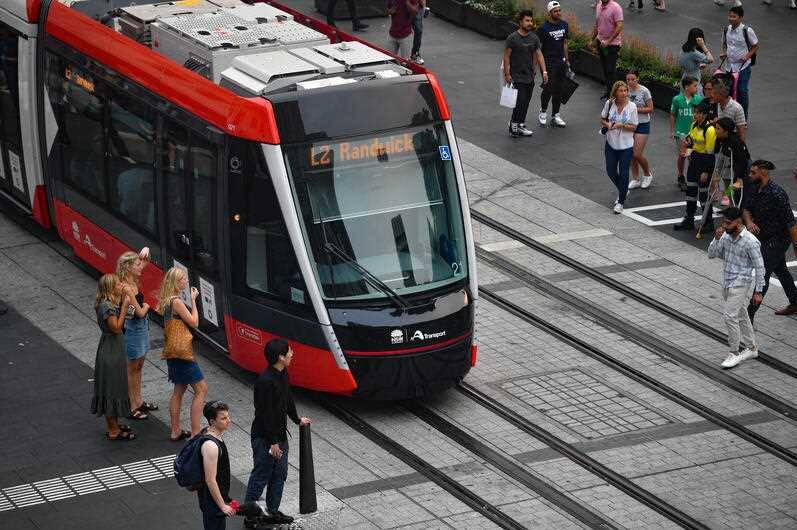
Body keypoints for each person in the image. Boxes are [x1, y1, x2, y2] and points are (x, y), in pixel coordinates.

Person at [244, 339, 311, 529]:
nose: (292, 353)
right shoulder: (265, 381)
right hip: (265, 438)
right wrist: (273, 443)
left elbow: (287, 398)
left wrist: (297, 419)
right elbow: (265, 414)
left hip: (279, 436)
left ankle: (271, 512)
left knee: (279, 475)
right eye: (289, 351)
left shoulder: (283, 373)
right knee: (261, 475)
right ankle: (250, 517)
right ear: (281, 357)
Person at [707, 207, 764, 369]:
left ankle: (734, 352)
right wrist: (716, 239)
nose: (724, 226)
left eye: (728, 222)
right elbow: (712, 254)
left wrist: (758, 291)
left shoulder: (751, 242)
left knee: (729, 316)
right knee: (741, 315)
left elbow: (760, 267)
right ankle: (752, 348)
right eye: (723, 222)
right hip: (727, 282)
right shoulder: (724, 236)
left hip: (741, 283)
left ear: (738, 222)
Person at [157, 267, 208, 441]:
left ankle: (175, 430)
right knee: (201, 389)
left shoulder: (166, 301)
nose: (186, 281)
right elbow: (194, 322)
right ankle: (195, 432)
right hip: (182, 353)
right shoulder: (176, 302)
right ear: (176, 283)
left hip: (172, 352)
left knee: (179, 389)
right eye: (184, 279)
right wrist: (194, 301)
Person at [743, 160, 797, 319]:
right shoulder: (753, 188)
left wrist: (795, 244)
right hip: (762, 238)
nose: (749, 175)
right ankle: (795, 302)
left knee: (763, 273)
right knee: (780, 269)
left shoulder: (777, 194)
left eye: (753, 172)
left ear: (764, 173)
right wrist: (749, 222)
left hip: (778, 239)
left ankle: (749, 313)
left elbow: (790, 222)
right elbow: (746, 209)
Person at [91, 274, 135, 441]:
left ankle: (114, 423)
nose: (120, 285)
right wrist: (124, 308)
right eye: (117, 284)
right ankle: (113, 429)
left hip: (112, 347)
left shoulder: (108, 303)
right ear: (110, 288)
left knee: (114, 386)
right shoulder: (106, 306)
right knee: (111, 388)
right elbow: (116, 327)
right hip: (111, 351)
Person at [116, 248, 155, 421]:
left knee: (138, 366)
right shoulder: (127, 287)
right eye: (137, 265)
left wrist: (144, 253)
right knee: (132, 368)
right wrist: (148, 305)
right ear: (128, 267)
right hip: (133, 331)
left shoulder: (132, 278)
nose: (141, 267)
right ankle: (133, 405)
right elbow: (140, 312)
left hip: (140, 329)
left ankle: (139, 401)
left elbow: (145, 260)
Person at [504, 10, 547, 137]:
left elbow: (539, 54)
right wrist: (507, 74)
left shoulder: (534, 38)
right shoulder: (512, 38)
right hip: (517, 76)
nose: (530, 23)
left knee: (526, 101)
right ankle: (514, 126)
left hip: (529, 76)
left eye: (531, 21)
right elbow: (506, 57)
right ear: (520, 22)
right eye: (527, 21)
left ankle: (520, 124)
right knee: (519, 101)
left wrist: (544, 71)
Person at [674, 102, 716, 233]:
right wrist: (688, 145)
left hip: (704, 162)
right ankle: (689, 219)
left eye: (697, 113)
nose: (695, 115)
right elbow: (691, 141)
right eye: (695, 112)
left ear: (704, 114)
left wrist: (706, 172)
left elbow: (710, 154)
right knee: (691, 192)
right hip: (694, 161)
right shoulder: (694, 125)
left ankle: (708, 222)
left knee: (703, 195)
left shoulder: (709, 130)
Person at [600, 80, 638, 214]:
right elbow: (602, 119)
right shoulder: (609, 103)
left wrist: (621, 125)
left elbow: (634, 126)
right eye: (621, 91)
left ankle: (621, 202)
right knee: (610, 171)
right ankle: (623, 189)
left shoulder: (632, 107)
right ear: (615, 92)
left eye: (625, 91)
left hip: (626, 146)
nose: (624, 93)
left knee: (623, 173)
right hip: (611, 144)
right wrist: (608, 125)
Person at [197, 401, 236, 530]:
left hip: (216, 499)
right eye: (223, 418)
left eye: (228, 416)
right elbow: (210, 480)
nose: (228, 420)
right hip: (211, 502)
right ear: (212, 422)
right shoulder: (211, 446)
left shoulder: (215, 436)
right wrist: (222, 505)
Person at [720, 6, 758, 119]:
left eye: (734, 16)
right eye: (730, 16)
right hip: (729, 67)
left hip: (743, 67)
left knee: (742, 92)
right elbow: (725, 44)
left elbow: (755, 46)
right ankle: (729, 117)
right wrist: (724, 53)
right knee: (729, 92)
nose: (731, 18)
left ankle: (743, 118)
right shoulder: (726, 30)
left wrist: (747, 56)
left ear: (740, 18)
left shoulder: (747, 31)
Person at [537, 1, 569, 128]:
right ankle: (543, 111)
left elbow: (565, 43)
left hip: (561, 61)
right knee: (548, 87)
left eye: (559, 10)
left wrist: (567, 60)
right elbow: (538, 48)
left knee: (559, 89)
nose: (558, 13)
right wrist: (539, 66)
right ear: (550, 13)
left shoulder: (564, 25)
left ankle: (555, 115)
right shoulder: (544, 28)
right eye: (555, 11)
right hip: (548, 62)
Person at [669, 76, 703, 191]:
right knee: (682, 155)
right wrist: (672, 130)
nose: (696, 88)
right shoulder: (677, 99)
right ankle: (680, 175)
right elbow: (673, 114)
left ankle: (693, 178)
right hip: (681, 133)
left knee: (692, 156)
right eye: (694, 85)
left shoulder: (698, 100)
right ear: (687, 87)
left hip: (694, 133)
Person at [712, 117, 750, 207]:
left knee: (736, 190)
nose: (715, 130)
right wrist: (717, 172)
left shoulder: (735, 142)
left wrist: (739, 178)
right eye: (715, 127)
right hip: (728, 165)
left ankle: (738, 209)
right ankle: (731, 206)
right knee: (728, 186)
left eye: (718, 128)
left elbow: (743, 160)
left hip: (740, 167)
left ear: (726, 131)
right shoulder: (719, 139)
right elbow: (718, 153)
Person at [626, 70, 654, 189]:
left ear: (638, 79)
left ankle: (647, 174)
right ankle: (636, 178)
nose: (631, 82)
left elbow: (650, 108)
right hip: (629, 125)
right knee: (631, 154)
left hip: (642, 124)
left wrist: (635, 109)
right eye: (628, 79)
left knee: (637, 153)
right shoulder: (625, 90)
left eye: (633, 79)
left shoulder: (644, 91)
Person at [591, 0, 623, 99]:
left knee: (611, 70)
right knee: (605, 69)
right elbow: (597, 24)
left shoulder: (616, 7)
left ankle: (614, 96)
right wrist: (592, 39)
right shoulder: (598, 6)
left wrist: (608, 41)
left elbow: (619, 26)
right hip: (601, 43)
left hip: (613, 45)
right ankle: (609, 91)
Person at [679, 28, 714, 95]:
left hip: (685, 79)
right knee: (695, 103)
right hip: (693, 82)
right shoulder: (694, 52)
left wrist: (697, 66)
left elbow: (686, 63)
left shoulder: (684, 48)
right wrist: (703, 46)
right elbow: (711, 59)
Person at [410, 0, 428, 64]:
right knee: (418, 32)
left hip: (415, 8)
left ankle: (414, 55)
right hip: (415, 9)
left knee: (418, 32)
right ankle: (414, 55)